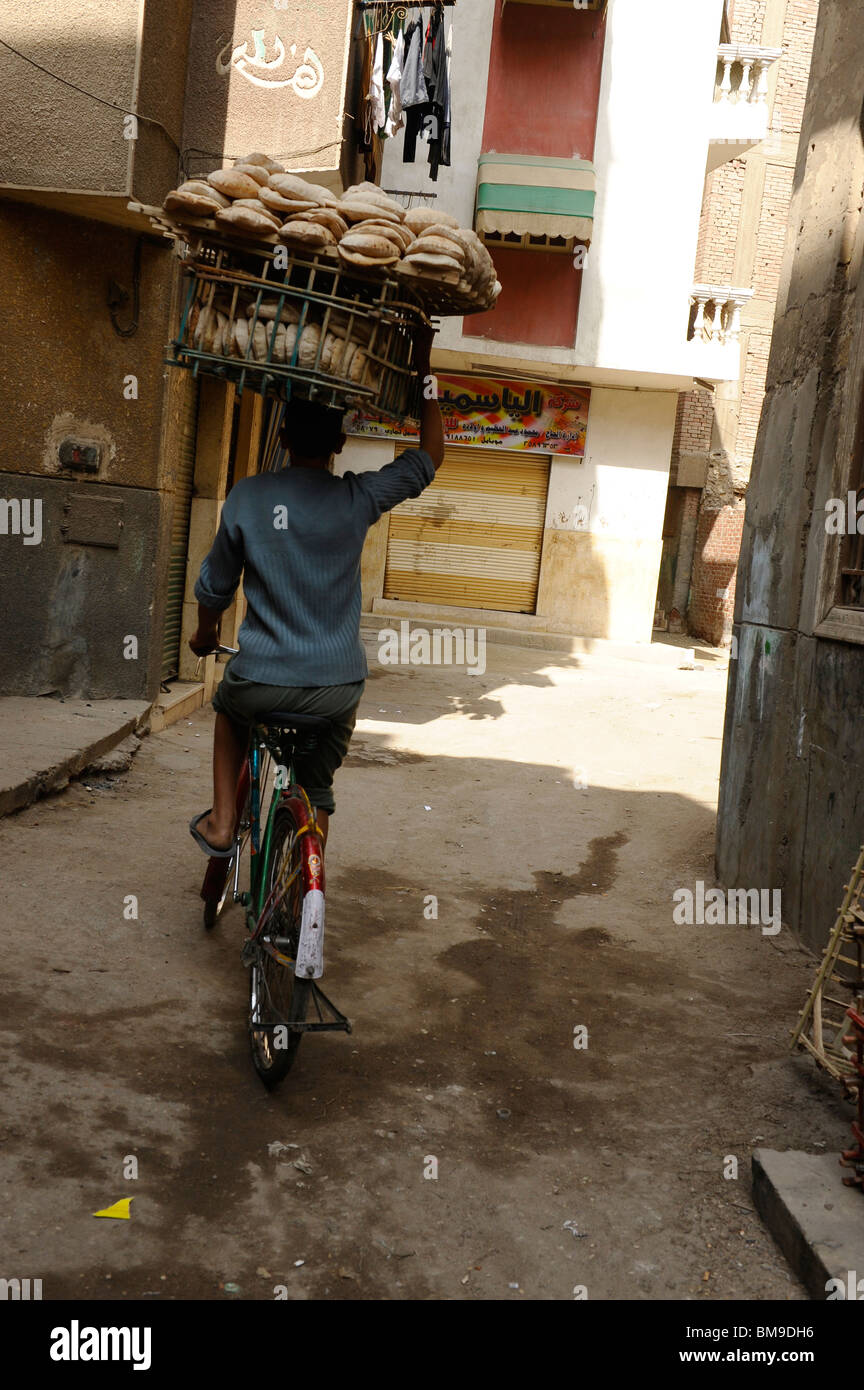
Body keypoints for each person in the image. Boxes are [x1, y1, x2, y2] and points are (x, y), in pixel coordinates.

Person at [188, 322, 444, 857]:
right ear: (340, 443)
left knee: (229, 711)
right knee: (317, 788)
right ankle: (306, 892)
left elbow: (215, 588)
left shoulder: (248, 497)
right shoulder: (360, 498)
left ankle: (221, 822)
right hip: (337, 687)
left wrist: (202, 635)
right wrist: (424, 363)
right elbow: (430, 456)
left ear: (281, 439)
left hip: (261, 677)